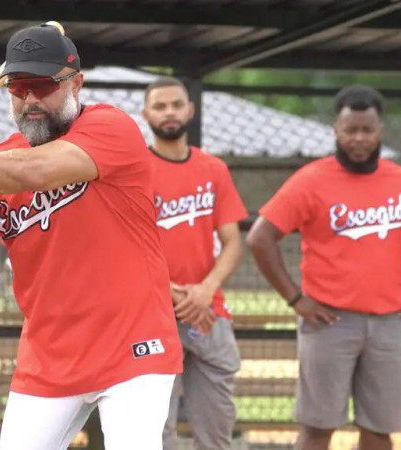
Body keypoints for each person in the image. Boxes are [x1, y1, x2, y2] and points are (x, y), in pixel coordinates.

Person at [0, 24, 182, 450]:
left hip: (132, 346)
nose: (30, 99)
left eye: (43, 86)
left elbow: (34, 171)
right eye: (18, 87)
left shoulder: (111, 128)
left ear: (76, 84)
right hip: (48, 356)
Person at [246, 85, 401, 450]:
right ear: (335, 130)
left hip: (388, 323)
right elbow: (260, 238)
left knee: (379, 429)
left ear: (380, 132)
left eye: (367, 130)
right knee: (318, 427)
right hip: (329, 322)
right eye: (350, 129)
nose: (358, 138)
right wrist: (296, 300)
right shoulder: (311, 180)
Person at [141, 77, 246, 450]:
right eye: (160, 106)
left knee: (217, 431)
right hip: (152, 313)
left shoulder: (213, 168)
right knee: (155, 433)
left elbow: (233, 241)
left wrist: (205, 289)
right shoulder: (134, 171)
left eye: (175, 105)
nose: (169, 112)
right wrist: (172, 292)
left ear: (190, 110)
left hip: (208, 310)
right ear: (146, 114)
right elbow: (124, 249)